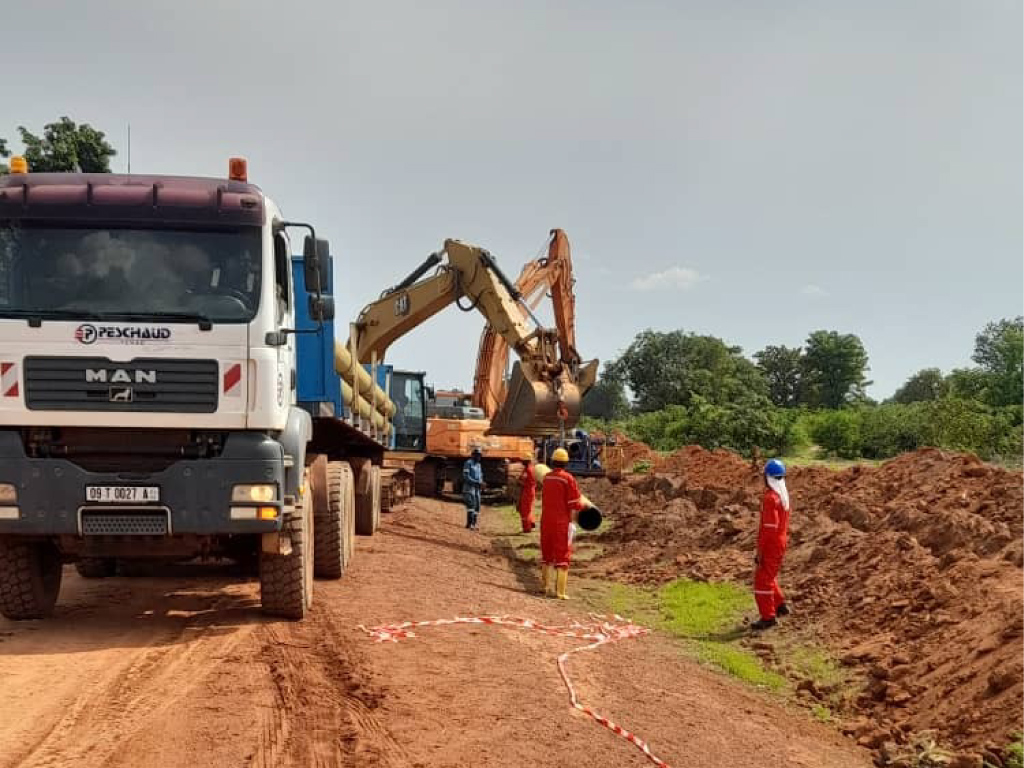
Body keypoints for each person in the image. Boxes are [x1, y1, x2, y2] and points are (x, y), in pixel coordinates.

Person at [752, 458, 791, 630]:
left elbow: (769, 528)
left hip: (771, 544)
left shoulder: (770, 498)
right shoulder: (782, 496)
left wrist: (760, 552)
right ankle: (779, 605)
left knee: (762, 580)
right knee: (769, 575)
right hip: (780, 541)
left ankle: (768, 617)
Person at [540, 448, 584, 599]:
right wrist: (583, 506)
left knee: (547, 552)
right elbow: (574, 503)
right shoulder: (567, 479)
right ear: (566, 463)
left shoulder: (546, 478)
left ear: (552, 462)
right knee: (562, 554)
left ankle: (544, 586)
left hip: (546, 520)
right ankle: (560, 592)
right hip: (561, 522)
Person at [463, 448, 483, 530]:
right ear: (473, 455)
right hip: (469, 488)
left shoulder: (479, 465)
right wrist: (475, 482)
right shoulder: (468, 463)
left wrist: (481, 482)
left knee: (477, 506)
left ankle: (474, 524)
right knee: (471, 505)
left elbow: (481, 475)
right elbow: (466, 476)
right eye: (477, 455)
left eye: (479, 455)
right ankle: (469, 524)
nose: (479, 457)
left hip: (477, 488)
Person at [517, 456, 537, 533]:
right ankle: (531, 522)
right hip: (527, 491)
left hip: (528, 492)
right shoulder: (528, 469)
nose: (522, 462)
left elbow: (531, 483)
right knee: (528, 509)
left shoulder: (529, 470)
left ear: (527, 461)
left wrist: (521, 483)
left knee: (525, 510)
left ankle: (527, 528)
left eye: (523, 460)